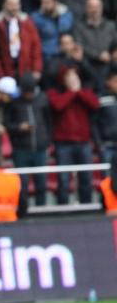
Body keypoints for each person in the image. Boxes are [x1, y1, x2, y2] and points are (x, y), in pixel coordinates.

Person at [47, 66, 100, 204]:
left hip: (83, 142)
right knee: (63, 179)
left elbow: (95, 104)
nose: (73, 79)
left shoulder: (84, 92)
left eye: (75, 76)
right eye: (69, 77)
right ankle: (63, 208)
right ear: (63, 80)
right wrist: (72, 92)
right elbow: (58, 105)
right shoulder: (55, 93)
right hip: (63, 144)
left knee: (86, 177)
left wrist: (79, 92)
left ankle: (87, 206)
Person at [4, 73, 51, 207]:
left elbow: (49, 121)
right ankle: (23, 209)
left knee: (41, 183)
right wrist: (19, 127)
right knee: (22, 184)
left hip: (40, 148)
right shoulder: (14, 103)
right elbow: (7, 124)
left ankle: (41, 209)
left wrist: (47, 140)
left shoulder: (42, 99)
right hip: (21, 149)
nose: (29, 95)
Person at [0, 0, 43, 81]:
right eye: (11, 4)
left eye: (17, 4)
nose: (14, 7)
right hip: (5, 69)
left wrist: (36, 69)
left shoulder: (27, 22)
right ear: (4, 5)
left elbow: (36, 46)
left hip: (26, 68)